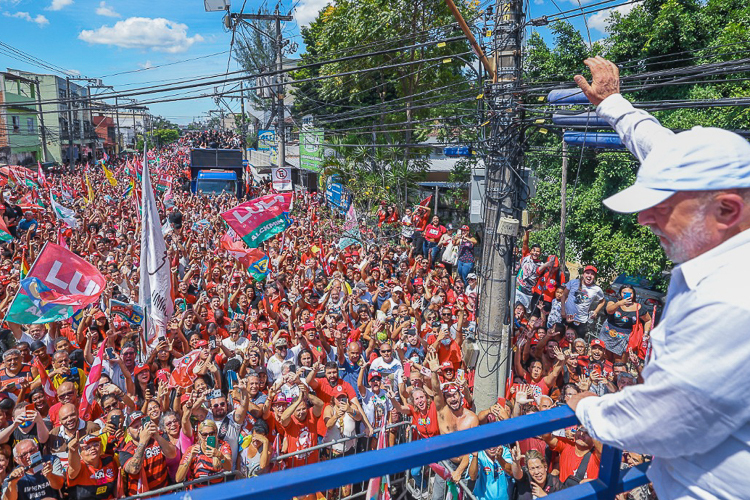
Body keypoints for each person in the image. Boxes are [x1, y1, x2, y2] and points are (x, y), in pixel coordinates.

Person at [568, 55, 750, 500]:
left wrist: (586, 407)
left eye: (662, 207)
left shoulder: (733, 301)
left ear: (728, 209)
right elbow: (662, 149)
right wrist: (613, 104)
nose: (644, 219)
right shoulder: (719, 238)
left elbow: (658, 422)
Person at [66, 433, 119, 500]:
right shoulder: (79, 467)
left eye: (96, 445)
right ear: (80, 454)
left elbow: (116, 485)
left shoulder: (109, 461)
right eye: (87, 447)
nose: (93, 448)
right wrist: (72, 451)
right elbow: (73, 467)